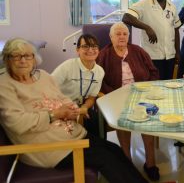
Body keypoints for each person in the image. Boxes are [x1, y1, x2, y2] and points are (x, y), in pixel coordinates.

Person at [0, 38, 148, 183]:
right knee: (106, 158)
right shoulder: (5, 85)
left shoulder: (43, 76)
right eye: (16, 56)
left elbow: (61, 97)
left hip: (72, 135)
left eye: (27, 55)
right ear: (6, 59)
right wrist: (55, 114)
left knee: (114, 150)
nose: (23, 60)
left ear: (34, 58)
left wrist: (72, 108)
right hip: (51, 149)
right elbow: (17, 123)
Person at [96, 22, 160, 180]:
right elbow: (98, 79)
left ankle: (150, 163)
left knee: (148, 122)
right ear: (110, 37)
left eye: (124, 34)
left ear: (129, 36)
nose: (122, 36)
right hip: (116, 96)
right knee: (122, 122)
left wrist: (147, 87)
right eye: (117, 34)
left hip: (142, 95)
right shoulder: (104, 54)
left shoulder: (138, 51)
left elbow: (153, 71)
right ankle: (127, 162)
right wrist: (114, 94)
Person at [122, 0, 181, 80]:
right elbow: (126, 17)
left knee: (168, 86)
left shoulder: (172, 7)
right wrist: (147, 27)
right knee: (153, 88)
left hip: (170, 56)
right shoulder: (144, 3)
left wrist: (177, 52)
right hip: (152, 57)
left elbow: (176, 30)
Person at [52, 34, 104, 135]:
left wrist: (84, 107)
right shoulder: (68, 66)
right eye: (85, 46)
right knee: (66, 132)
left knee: (94, 121)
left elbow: (92, 97)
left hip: (81, 106)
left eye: (94, 47)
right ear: (78, 50)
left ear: (98, 50)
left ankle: (93, 148)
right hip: (61, 106)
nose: (90, 50)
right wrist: (63, 108)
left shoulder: (100, 71)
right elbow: (49, 87)